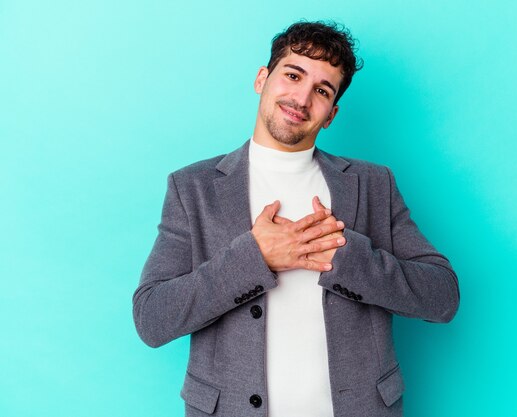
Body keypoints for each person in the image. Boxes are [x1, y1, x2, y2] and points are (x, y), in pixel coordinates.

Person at [133, 20, 459, 417]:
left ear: (331, 114)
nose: (301, 98)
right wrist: (254, 257)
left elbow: (442, 297)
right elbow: (152, 318)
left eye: (321, 90)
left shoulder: (373, 184)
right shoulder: (194, 188)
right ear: (261, 79)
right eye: (293, 75)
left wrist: (346, 255)